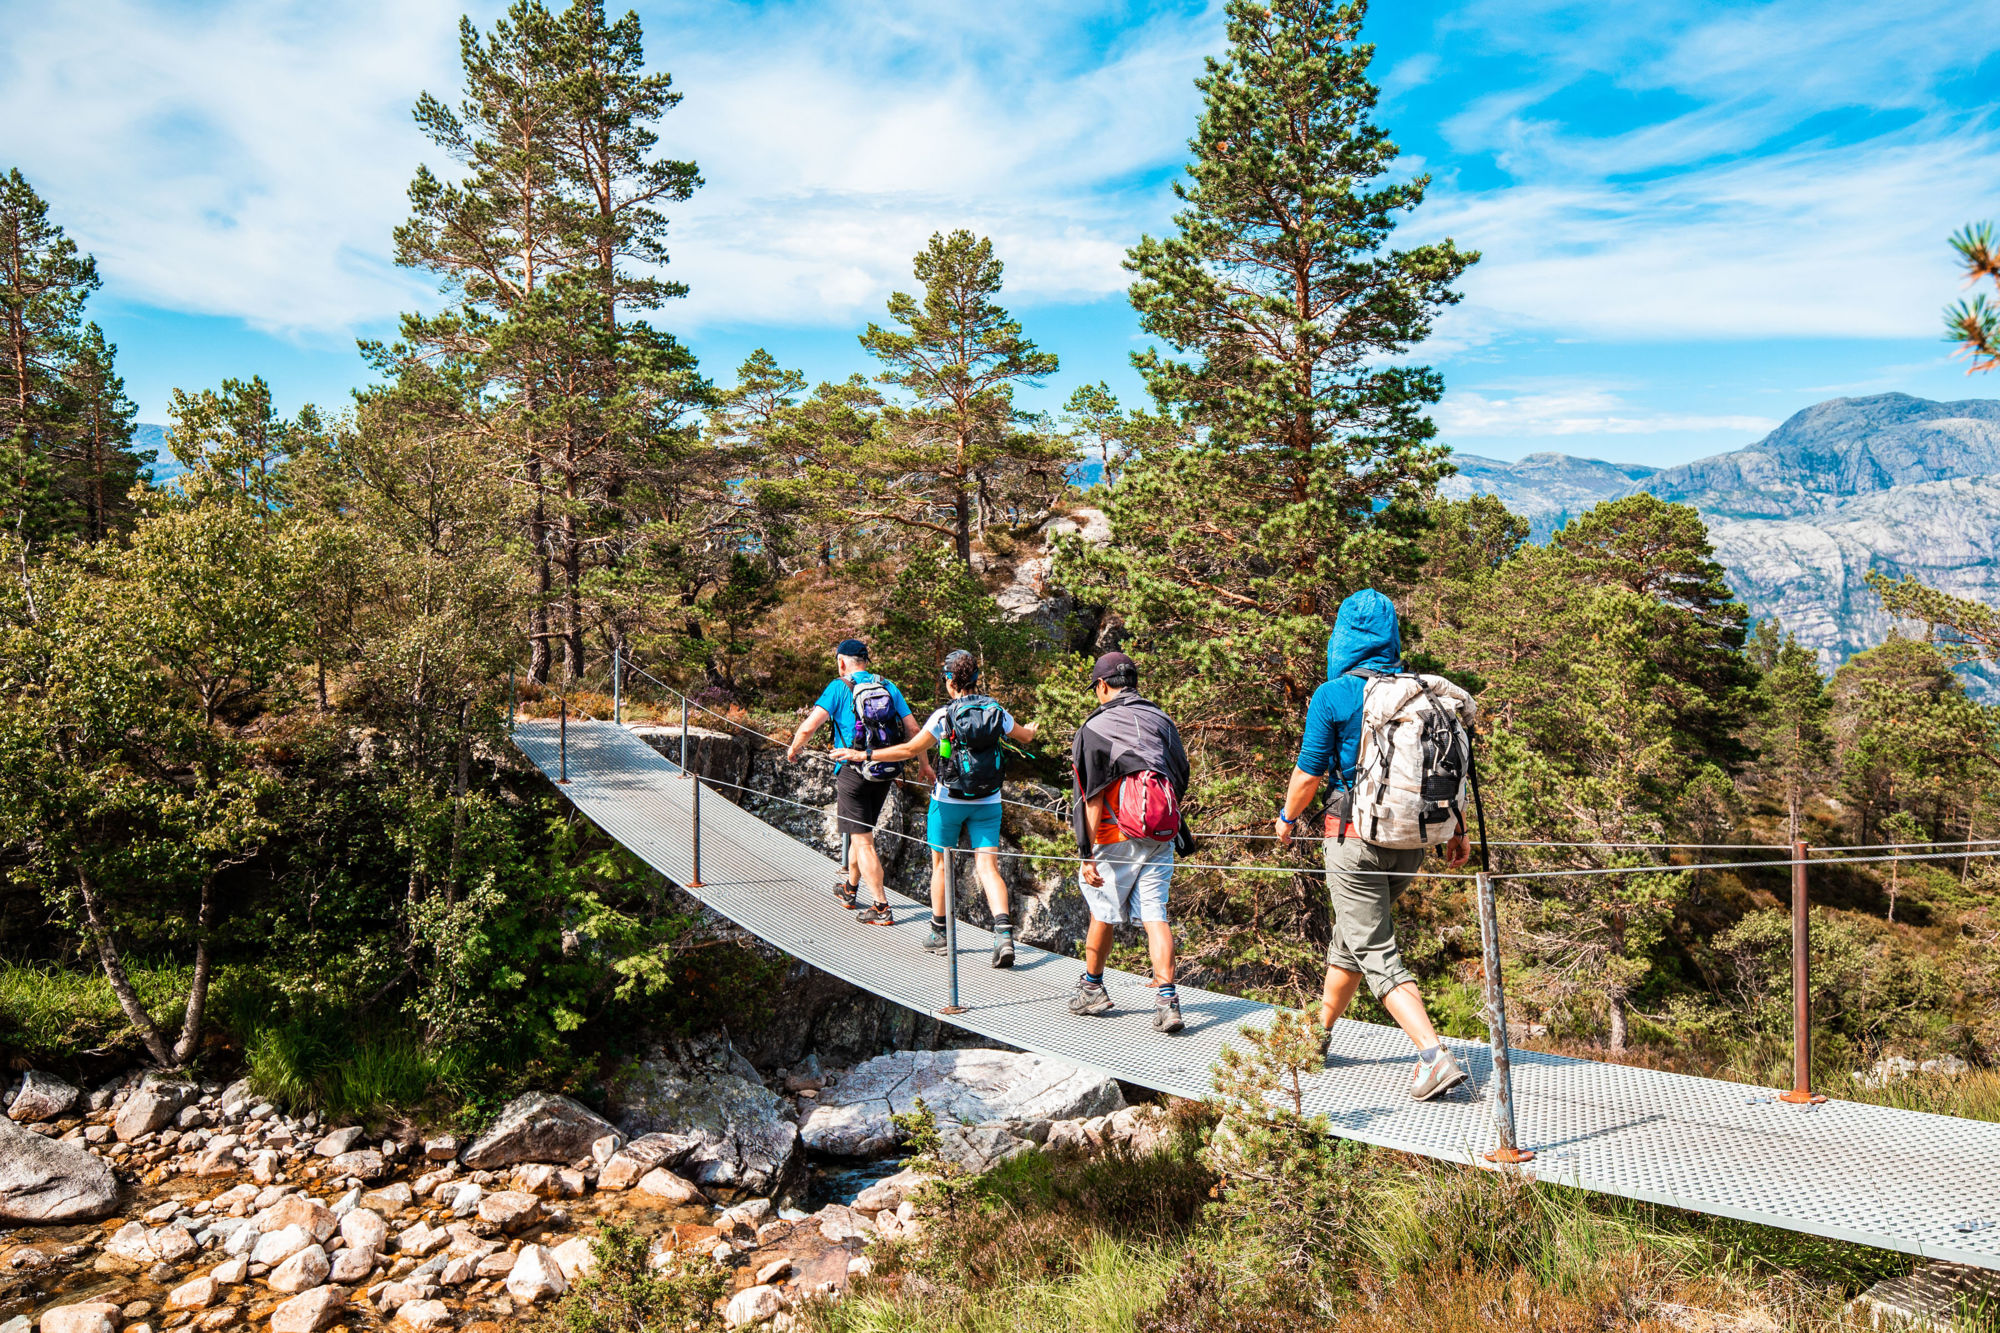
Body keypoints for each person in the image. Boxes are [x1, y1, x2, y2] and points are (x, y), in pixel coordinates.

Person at [1274, 589, 1473, 1101]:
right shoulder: (1416, 693)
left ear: (1343, 638)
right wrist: (1460, 830)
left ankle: (1433, 1057)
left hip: (1354, 839)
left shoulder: (1334, 694)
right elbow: (1445, 769)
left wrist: (1286, 818)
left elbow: (1307, 775)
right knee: (1350, 939)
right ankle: (1316, 1036)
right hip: (1413, 842)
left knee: (1375, 950)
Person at [830, 649, 1037, 968]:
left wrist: (865, 756)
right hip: (989, 800)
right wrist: (1036, 727)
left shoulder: (944, 716)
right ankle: (1003, 934)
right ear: (976, 678)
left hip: (949, 799)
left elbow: (911, 748)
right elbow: (1024, 736)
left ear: (950, 681)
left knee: (941, 865)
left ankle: (940, 933)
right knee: (987, 868)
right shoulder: (997, 710)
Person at [1067, 652, 1190, 1033]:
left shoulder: (1095, 726)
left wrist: (1086, 853)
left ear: (1102, 686)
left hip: (1113, 833)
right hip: (1160, 831)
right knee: (1156, 915)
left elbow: (1092, 796)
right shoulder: (1163, 721)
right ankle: (1168, 1001)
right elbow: (1180, 777)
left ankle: (1092, 988)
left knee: (1102, 911)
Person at [785, 638, 928, 927]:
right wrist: (924, 764)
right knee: (858, 831)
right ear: (865, 661)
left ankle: (881, 906)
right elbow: (914, 729)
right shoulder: (888, 685)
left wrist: (794, 749)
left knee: (863, 841)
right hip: (884, 770)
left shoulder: (838, 687)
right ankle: (850, 889)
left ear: (841, 662)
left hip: (852, 772)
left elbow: (809, 726)